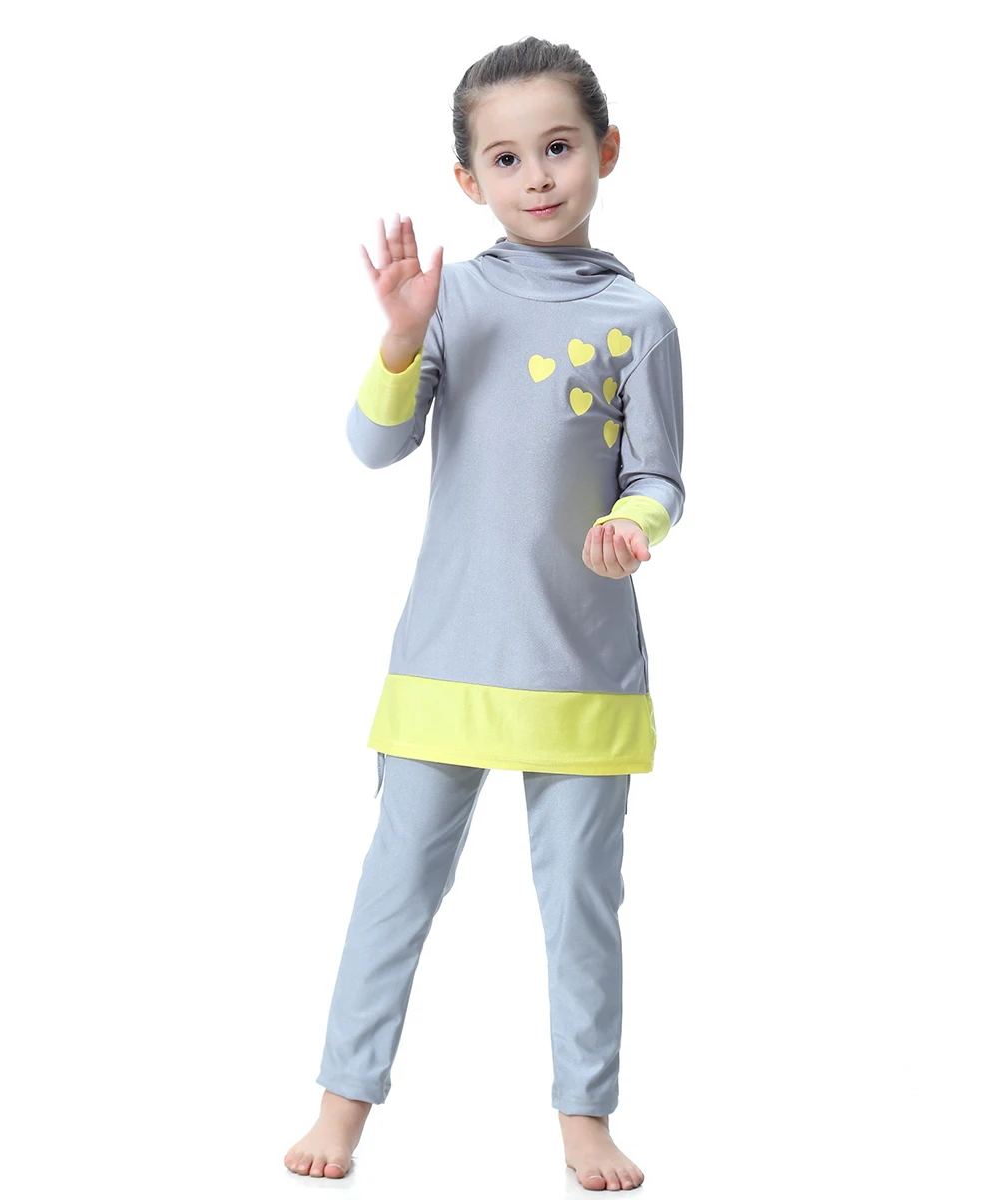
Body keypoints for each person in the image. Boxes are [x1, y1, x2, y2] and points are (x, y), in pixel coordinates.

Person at [285, 35, 684, 1192]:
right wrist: (400, 338)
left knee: (581, 910)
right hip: (446, 663)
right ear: (469, 179)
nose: (538, 175)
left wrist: (635, 528)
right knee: (394, 893)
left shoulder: (642, 318)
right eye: (506, 158)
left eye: (559, 147)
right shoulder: (450, 298)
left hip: (581, 673)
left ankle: (584, 1120)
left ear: (606, 149)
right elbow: (374, 446)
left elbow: (660, 476)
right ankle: (341, 1106)